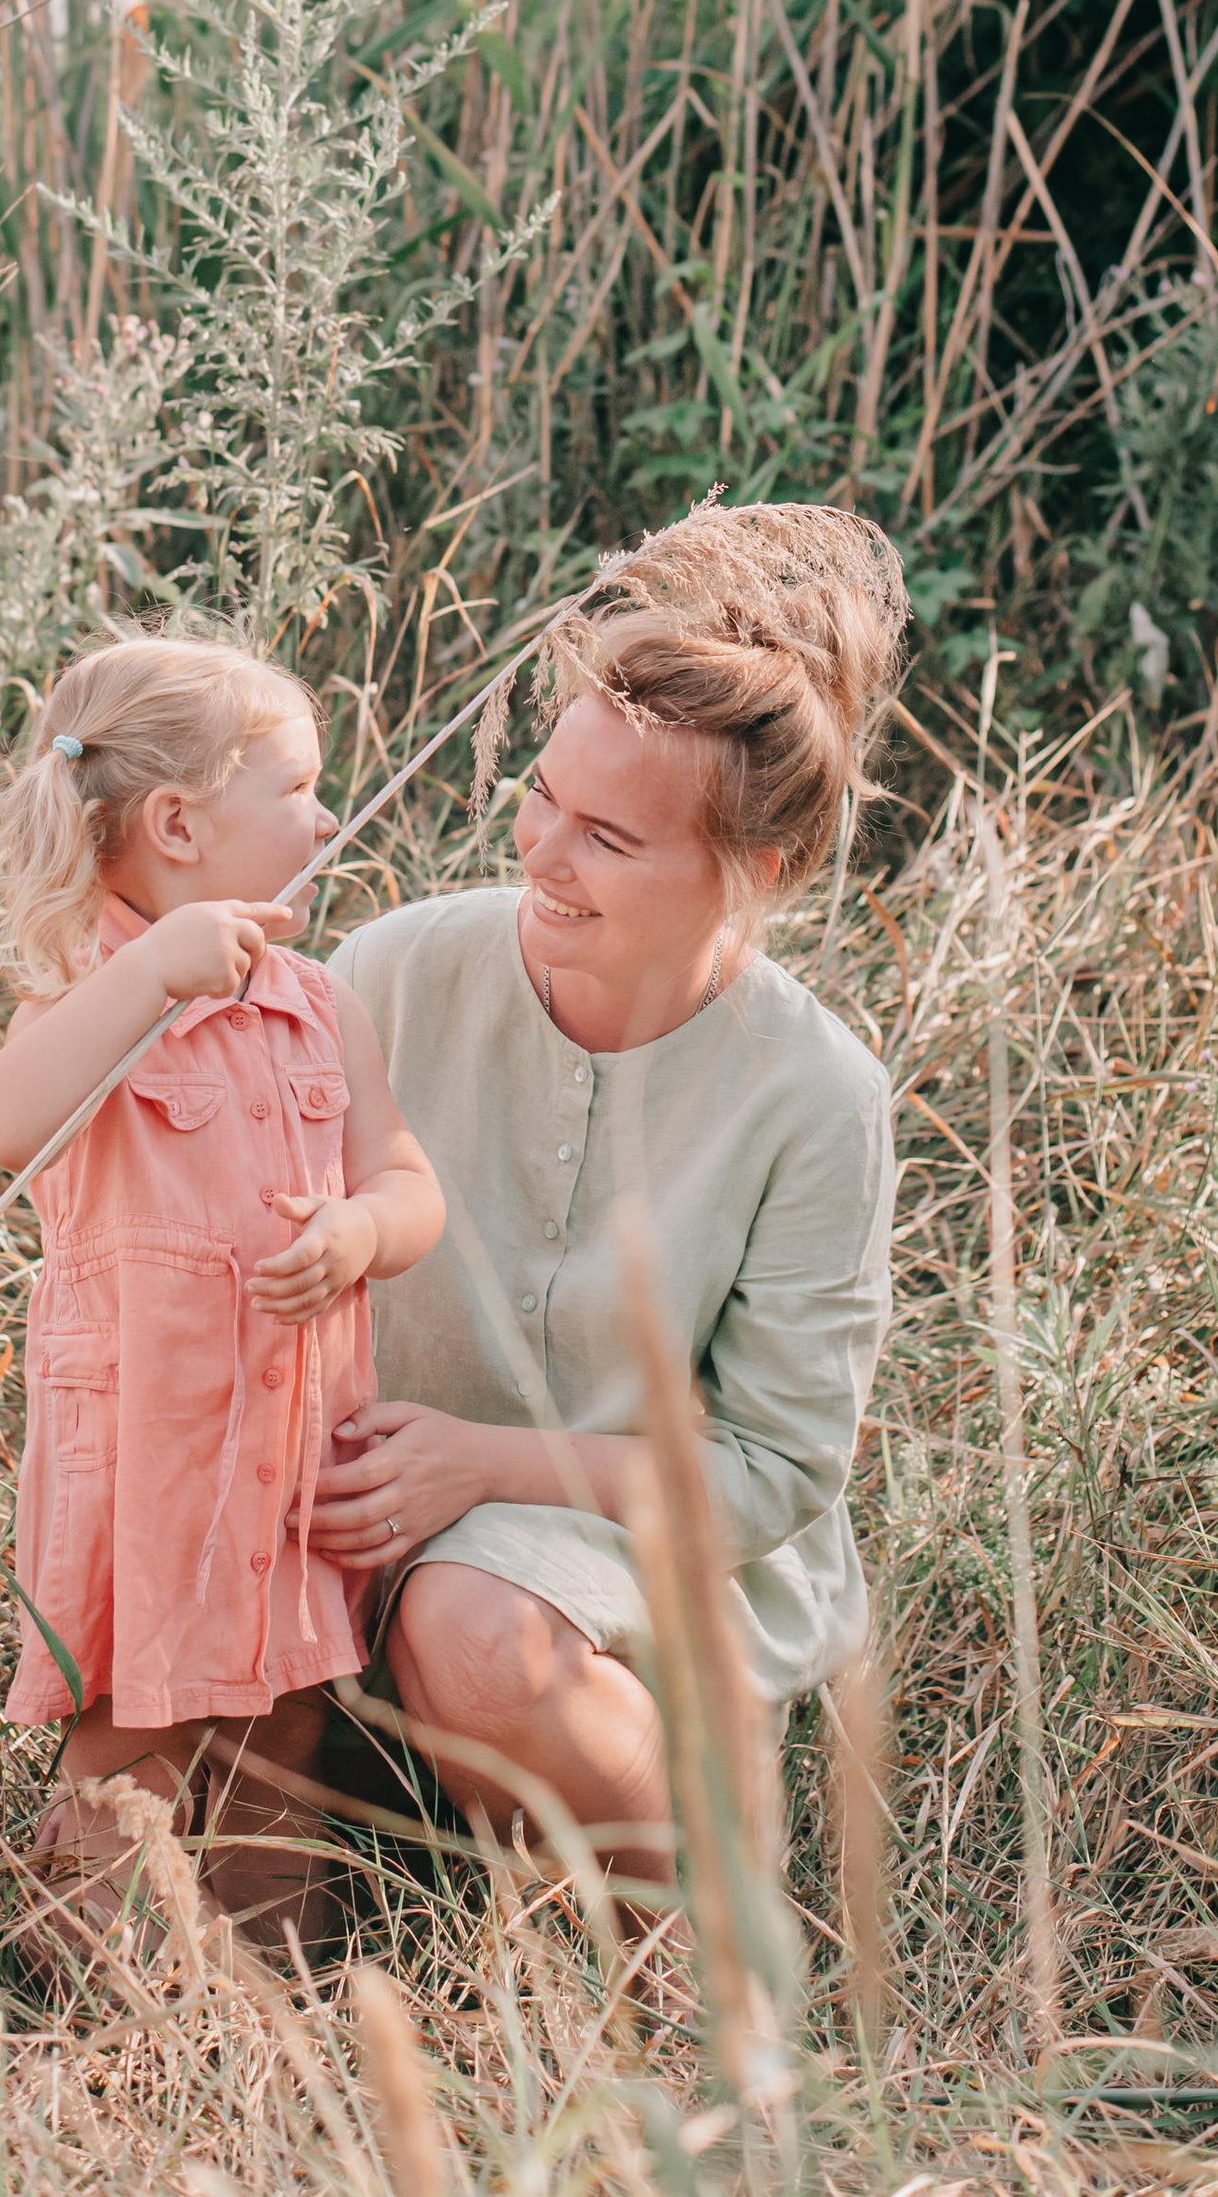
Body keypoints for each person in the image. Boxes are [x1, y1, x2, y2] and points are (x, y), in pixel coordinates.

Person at [316, 502, 901, 1892]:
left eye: (610, 841)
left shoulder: (817, 1094)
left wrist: (483, 1464)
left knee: (473, 1627)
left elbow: (770, 1474)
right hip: (364, 1524)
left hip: (649, 1564)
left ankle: (699, 1937)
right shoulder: (388, 973)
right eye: (541, 797)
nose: (541, 855)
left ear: (755, 872)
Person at [0, 635, 445, 1944]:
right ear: (178, 822)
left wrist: (357, 1229)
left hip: (287, 1455)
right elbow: (6, 1121)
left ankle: (266, 2008)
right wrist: (148, 971)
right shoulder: (92, 997)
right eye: (298, 786)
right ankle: (111, 2011)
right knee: (127, 1732)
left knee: (282, 1726)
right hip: (146, 1460)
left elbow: (408, 1181)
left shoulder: (320, 1002)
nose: (330, 814)